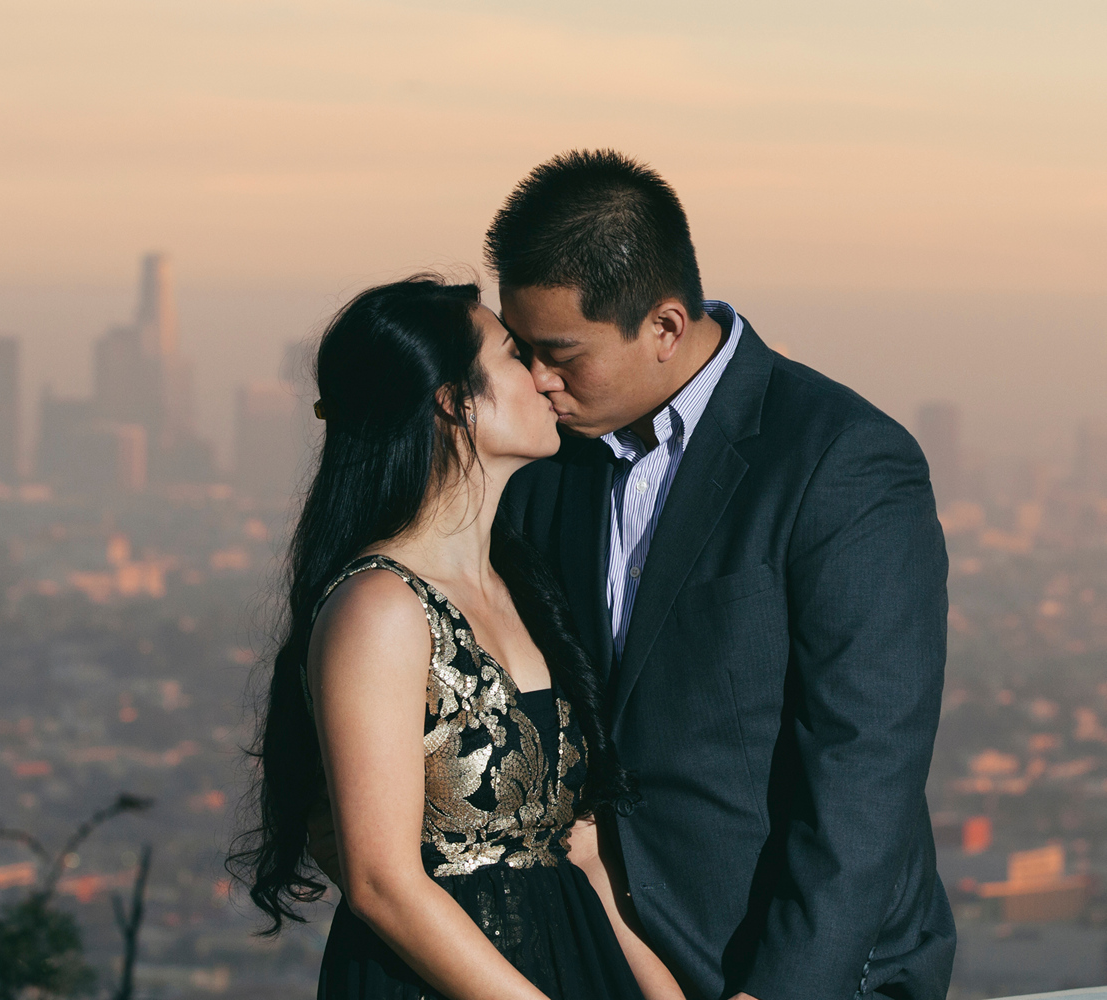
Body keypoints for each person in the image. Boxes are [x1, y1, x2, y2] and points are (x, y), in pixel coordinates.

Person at [489, 150, 956, 1000]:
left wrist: (786, 988)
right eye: (521, 349)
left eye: (561, 354)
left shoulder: (840, 461)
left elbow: (866, 763)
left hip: (788, 960)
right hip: (608, 954)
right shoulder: (551, 462)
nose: (538, 381)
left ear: (665, 326)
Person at [230, 276, 685, 999]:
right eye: (514, 354)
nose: (544, 377)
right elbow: (381, 883)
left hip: (576, 963)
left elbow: (581, 851)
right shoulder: (378, 609)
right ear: (453, 401)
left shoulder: (532, 591)